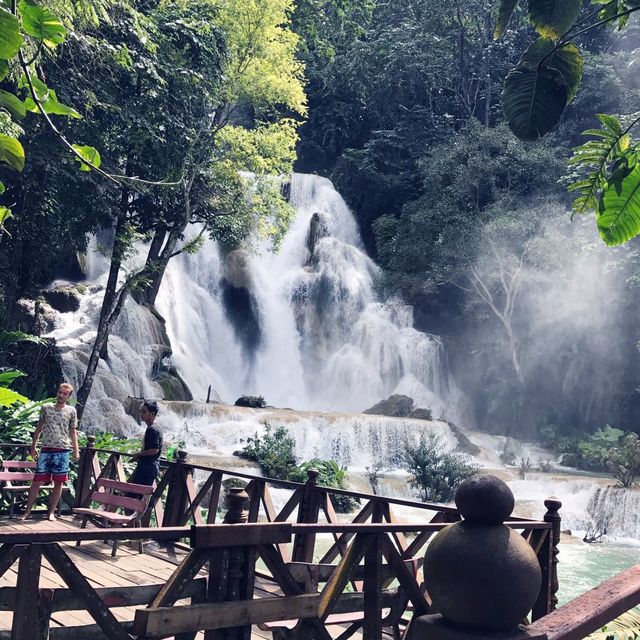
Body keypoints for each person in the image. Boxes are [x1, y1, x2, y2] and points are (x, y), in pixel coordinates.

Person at [20, 382, 79, 521]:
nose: (61, 395)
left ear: (69, 396)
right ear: (57, 392)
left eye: (65, 394)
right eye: (60, 392)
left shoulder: (71, 411)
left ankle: (51, 512)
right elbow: (39, 428)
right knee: (37, 481)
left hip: (63, 450)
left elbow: (73, 431)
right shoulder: (46, 408)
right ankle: (27, 511)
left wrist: (76, 450)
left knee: (58, 482)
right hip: (46, 449)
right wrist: (33, 446)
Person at [129, 400, 163, 486]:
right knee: (137, 494)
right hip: (149, 466)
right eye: (141, 411)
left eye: (144, 412)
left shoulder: (152, 429)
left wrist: (139, 454)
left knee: (133, 494)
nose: (141, 414)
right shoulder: (156, 427)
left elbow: (154, 450)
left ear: (152, 414)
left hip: (148, 467)